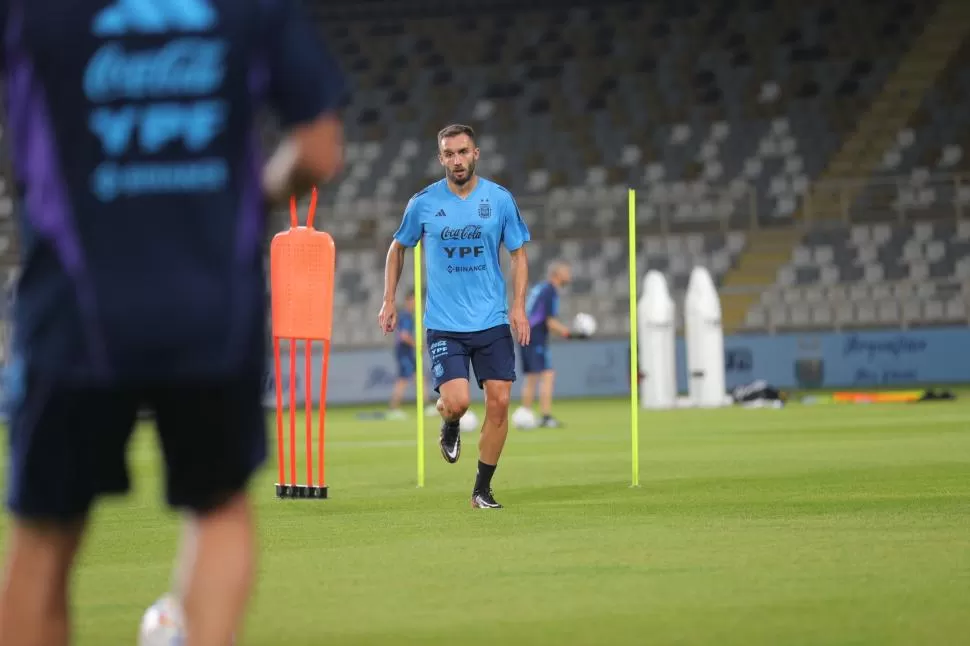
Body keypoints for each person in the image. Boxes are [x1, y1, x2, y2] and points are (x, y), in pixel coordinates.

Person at [0, 1, 347, 645]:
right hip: (209, 306)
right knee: (217, 508)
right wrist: (254, 192)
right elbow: (320, 149)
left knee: (43, 540)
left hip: (77, 311)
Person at [378, 124, 530, 509]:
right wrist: (388, 300)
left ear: (475, 153)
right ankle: (449, 421)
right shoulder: (423, 203)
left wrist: (518, 306)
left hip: (492, 319)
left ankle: (482, 489)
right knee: (459, 402)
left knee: (498, 405)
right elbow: (397, 248)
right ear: (440, 158)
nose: (457, 160)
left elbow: (518, 255)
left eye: (463, 152)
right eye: (450, 154)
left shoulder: (498, 200)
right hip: (445, 323)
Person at [514, 261, 577, 428]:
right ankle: (545, 416)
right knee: (547, 375)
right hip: (535, 336)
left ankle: (525, 413)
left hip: (526, 334)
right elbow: (549, 321)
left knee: (532, 377)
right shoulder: (550, 291)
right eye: (566, 272)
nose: (569, 276)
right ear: (557, 274)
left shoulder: (541, 288)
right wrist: (569, 333)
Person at [387, 288, 435, 419]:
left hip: (406, 351)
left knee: (420, 378)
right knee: (403, 380)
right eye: (414, 301)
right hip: (404, 351)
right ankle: (393, 409)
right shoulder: (406, 316)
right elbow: (404, 336)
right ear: (408, 301)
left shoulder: (407, 316)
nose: (416, 304)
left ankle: (426, 405)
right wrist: (417, 345)